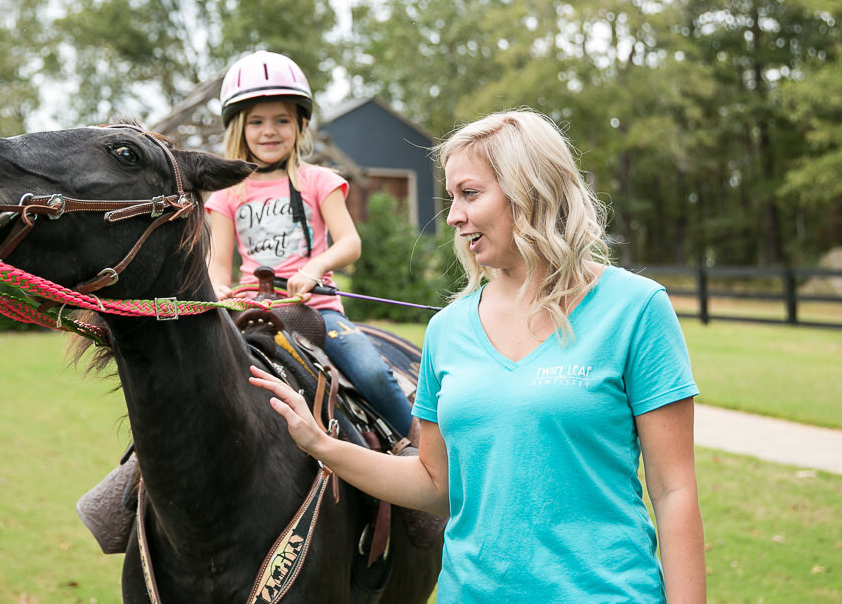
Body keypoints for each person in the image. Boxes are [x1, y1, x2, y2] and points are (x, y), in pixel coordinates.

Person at [248, 109, 706, 602]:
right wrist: (322, 445)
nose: (452, 216)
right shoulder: (447, 329)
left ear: (530, 189)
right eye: (452, 198)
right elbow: (433, 482)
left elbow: (673, 491)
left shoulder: (636, 309)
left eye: (469, 194)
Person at [206, 49, 413, 437]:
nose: (270, 131)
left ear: (300, 124)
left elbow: (349, 243)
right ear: (240, 128)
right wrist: (218, 288)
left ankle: (414, 449)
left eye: (282, 120)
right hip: (251, 310)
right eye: (257, 122)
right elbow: (218, 264)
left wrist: (313, 268)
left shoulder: (318, 180)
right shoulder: (226, 193)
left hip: (316, 311)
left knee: (371, 371)